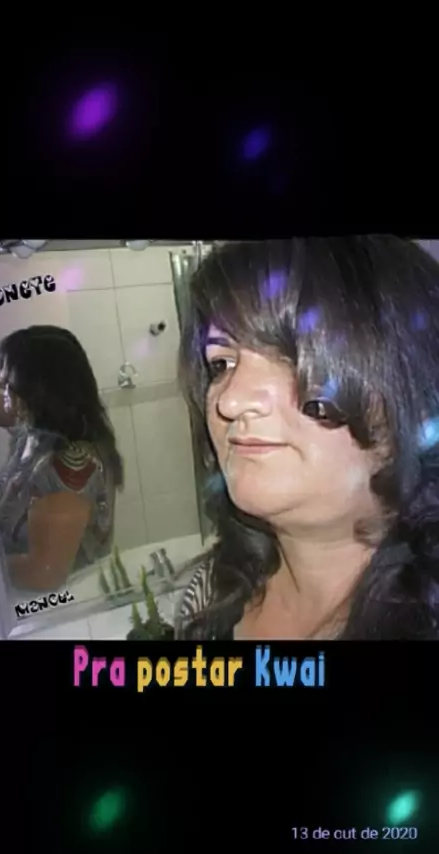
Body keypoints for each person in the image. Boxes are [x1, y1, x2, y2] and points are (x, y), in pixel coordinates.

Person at [175, 237, 439, 640]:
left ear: (413, 393)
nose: (230, 400)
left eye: (295, 357)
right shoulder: (210, 593)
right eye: (222, 363)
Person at [0, 325, 123, 593]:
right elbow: (6, 414)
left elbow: (43, 573)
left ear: (39, 387)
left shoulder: (70, 466)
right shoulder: (40, 429)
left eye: (9, 375)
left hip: (61, 603)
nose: (0, 383)